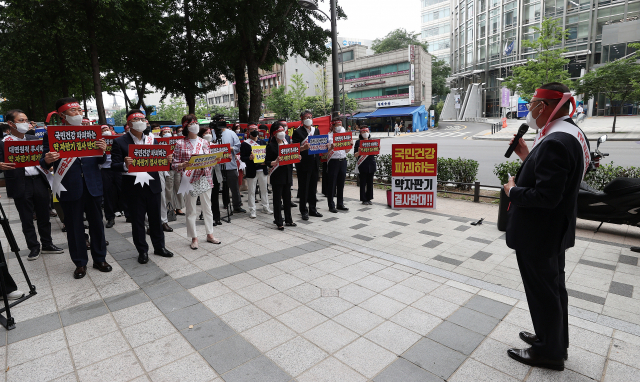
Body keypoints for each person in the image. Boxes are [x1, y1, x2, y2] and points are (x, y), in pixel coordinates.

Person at [504, 83, 590, 371]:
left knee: (543, 292)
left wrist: (513, 191)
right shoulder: (569, 132)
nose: (530, 111)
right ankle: (552, 339)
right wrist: (526, 155)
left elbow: (546, 196)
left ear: (544, 107)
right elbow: (554, 181)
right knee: (552, 289)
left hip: (539, 233)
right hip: (554, 230)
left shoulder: (555, 140)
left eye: (532, 105)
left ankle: (548, 352)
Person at [41, 98, 111, 279]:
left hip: (92, 185)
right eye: (74, 111)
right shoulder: (52, 134)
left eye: (80, 110)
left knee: (97, 224)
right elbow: (43, 161)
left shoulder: (92, 132)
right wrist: (48, 159)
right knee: (74, 227)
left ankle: (100, 258)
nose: (79, 114)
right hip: (69, 187)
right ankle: (80, 263)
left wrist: (103, 151)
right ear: (62, 115)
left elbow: (100, 161)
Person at [111, 109, 175, 264]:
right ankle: (142, 251)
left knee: (156, 219)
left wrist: (167, 159)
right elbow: (114, 165)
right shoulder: (119, 142)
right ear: (129, 123)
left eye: (143, 118)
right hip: (133, 188)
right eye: (137, 119)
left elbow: (161, 161)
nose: (142, 121)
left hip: (152, 185)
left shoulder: (153, 140)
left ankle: (159, 247)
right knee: (138, 221)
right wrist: (125, 164)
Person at [0, 110, 64, 261]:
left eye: (26, 120)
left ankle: (47, 244)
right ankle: (33, 247)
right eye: (21, 120)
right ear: (11, 123)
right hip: (19, 183)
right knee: (26, 218)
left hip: (39, 180)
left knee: (44, 214)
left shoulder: (34, 138)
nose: (26, 123)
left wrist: (49, 163)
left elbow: (43, 159)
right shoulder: (3, 143)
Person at [172, 116, 220, 249]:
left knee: (207, 208)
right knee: (191, 210)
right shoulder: (180, 144)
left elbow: (210, 159)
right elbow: (174, 165)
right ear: (186, 127)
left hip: (204, 177)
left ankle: (210, 234)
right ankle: (194, 237)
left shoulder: (204, 142)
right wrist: (183, 164)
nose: (196, 125)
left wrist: (214, 160)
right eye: (192, 123)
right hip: (189, 179)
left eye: (197, 123)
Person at [265, 122, 296, 231]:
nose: (282, 133)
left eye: (283, 130)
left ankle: (289, 219)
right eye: (279, 131)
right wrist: (275, 161)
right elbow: (267, 162)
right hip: (277, 175)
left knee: (287, 199)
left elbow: (292, 155)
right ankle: (279, 221)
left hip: (287, 174)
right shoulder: (271, 146)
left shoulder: (287, 142)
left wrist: (297, 156)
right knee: (277, 200)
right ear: (274, 134)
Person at [292, 110, 322, 220]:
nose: (308, 118)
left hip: (314, 163)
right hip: (303, 164)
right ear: (302, 119)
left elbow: (319, 144)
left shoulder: (316, 130)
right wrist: (303, 148)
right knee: (304, 188)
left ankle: (313, 209)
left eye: (310, 116)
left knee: (313, 188)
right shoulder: (297, 132)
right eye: (306, 117)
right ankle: (303, 211)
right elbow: (294, 149)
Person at [240, 124, 272, 218]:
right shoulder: (245, 144)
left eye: (255, 129)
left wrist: (266, 162)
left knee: (264, 190)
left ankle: (266, 207)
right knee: (252, 191)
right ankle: (252, 210)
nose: (254, 130)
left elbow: (267, 155)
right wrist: (249, 158)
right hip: (252, 170)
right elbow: (242, 157)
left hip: (262, 169)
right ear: (248, 131)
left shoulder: (262, 142)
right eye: (251, 129)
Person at [100, 125, 124, 228]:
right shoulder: (99, 141)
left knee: (123, 190)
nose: (106, 131)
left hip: (117, 168)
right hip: (105, 169)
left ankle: (128, 214)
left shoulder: (118, 140)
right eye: (103, 130)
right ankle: (110, 217)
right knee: (108, 194)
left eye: (107, 129)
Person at [219, 120, 245, 213]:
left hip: (230, 165)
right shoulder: (212, 133)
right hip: (217, 166)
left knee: (234, 186)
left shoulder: (231, 133)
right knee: (222, 187)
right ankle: (225, 203)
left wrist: (231, 148)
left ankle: (237, 205)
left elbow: (238, 146)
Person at [326, 119, 349, 213]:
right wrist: (331, 147)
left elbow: (346, 151)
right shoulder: (328, 136)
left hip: (342, 161)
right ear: (333, 126)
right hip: (333, 161)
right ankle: (331, 205)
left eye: (340, 124)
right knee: (332, 184)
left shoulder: (344, 136)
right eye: (337, 125)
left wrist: (349, 145)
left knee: (341, 183)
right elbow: (325, 153)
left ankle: (340, 203)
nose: (339, 126)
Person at [354, 127, 376, 205]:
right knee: (363, 183)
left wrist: (378, 149)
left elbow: (375, 153)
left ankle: (369, 198)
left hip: (371, 164)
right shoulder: (358, 142)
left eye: (367, 131)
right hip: (362, 164)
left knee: (370, 183)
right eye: (363, 131)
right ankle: (363, 199)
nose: (365, 133)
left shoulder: (373, 141)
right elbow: (355, 155)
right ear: (360, 133)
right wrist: (359, 152)